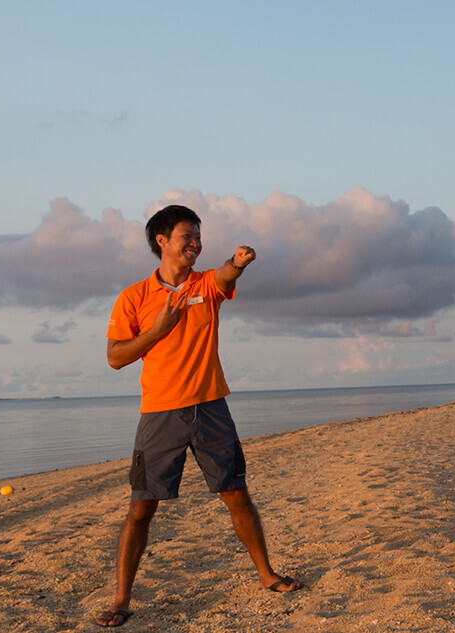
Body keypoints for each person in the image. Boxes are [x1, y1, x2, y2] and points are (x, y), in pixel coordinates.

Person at [95, 205, 302, 628]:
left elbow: (224, 274)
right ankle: (120, 599)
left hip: (210, 407)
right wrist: (156, 330)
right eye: (187, 236)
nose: (195, 243)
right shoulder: (134, 296)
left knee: (236, 493)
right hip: (159, 412)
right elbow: (115, 357)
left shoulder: (205, 285)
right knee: (141, 508)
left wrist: (237, 263)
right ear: (162, 241)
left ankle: (266, 574)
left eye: (199, 237)